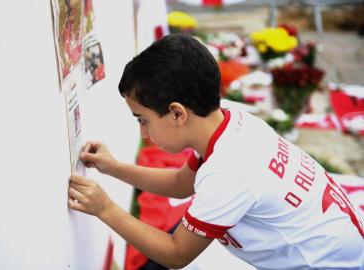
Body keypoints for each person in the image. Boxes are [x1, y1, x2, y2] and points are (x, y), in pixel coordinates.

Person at [68, 34, 364, 269]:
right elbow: (181, 185)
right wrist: (114, 167)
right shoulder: (231, 124)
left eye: (143, 120)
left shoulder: (229, 171)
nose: (143, 133)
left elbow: (175, 255)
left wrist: (104, 208)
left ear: (177, 113)